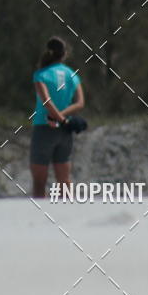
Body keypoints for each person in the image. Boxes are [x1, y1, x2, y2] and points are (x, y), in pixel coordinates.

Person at [30, 36, 85, 198]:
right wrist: (64, 119)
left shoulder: (41, 74)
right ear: (65, 54)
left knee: (40, 181)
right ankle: (67, 217)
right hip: (65, 130)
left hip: (43, 126)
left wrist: (57, 118)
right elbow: (80, 103)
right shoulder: (72, 75)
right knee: (64, 179)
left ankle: (39, 217)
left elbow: (46, 101)